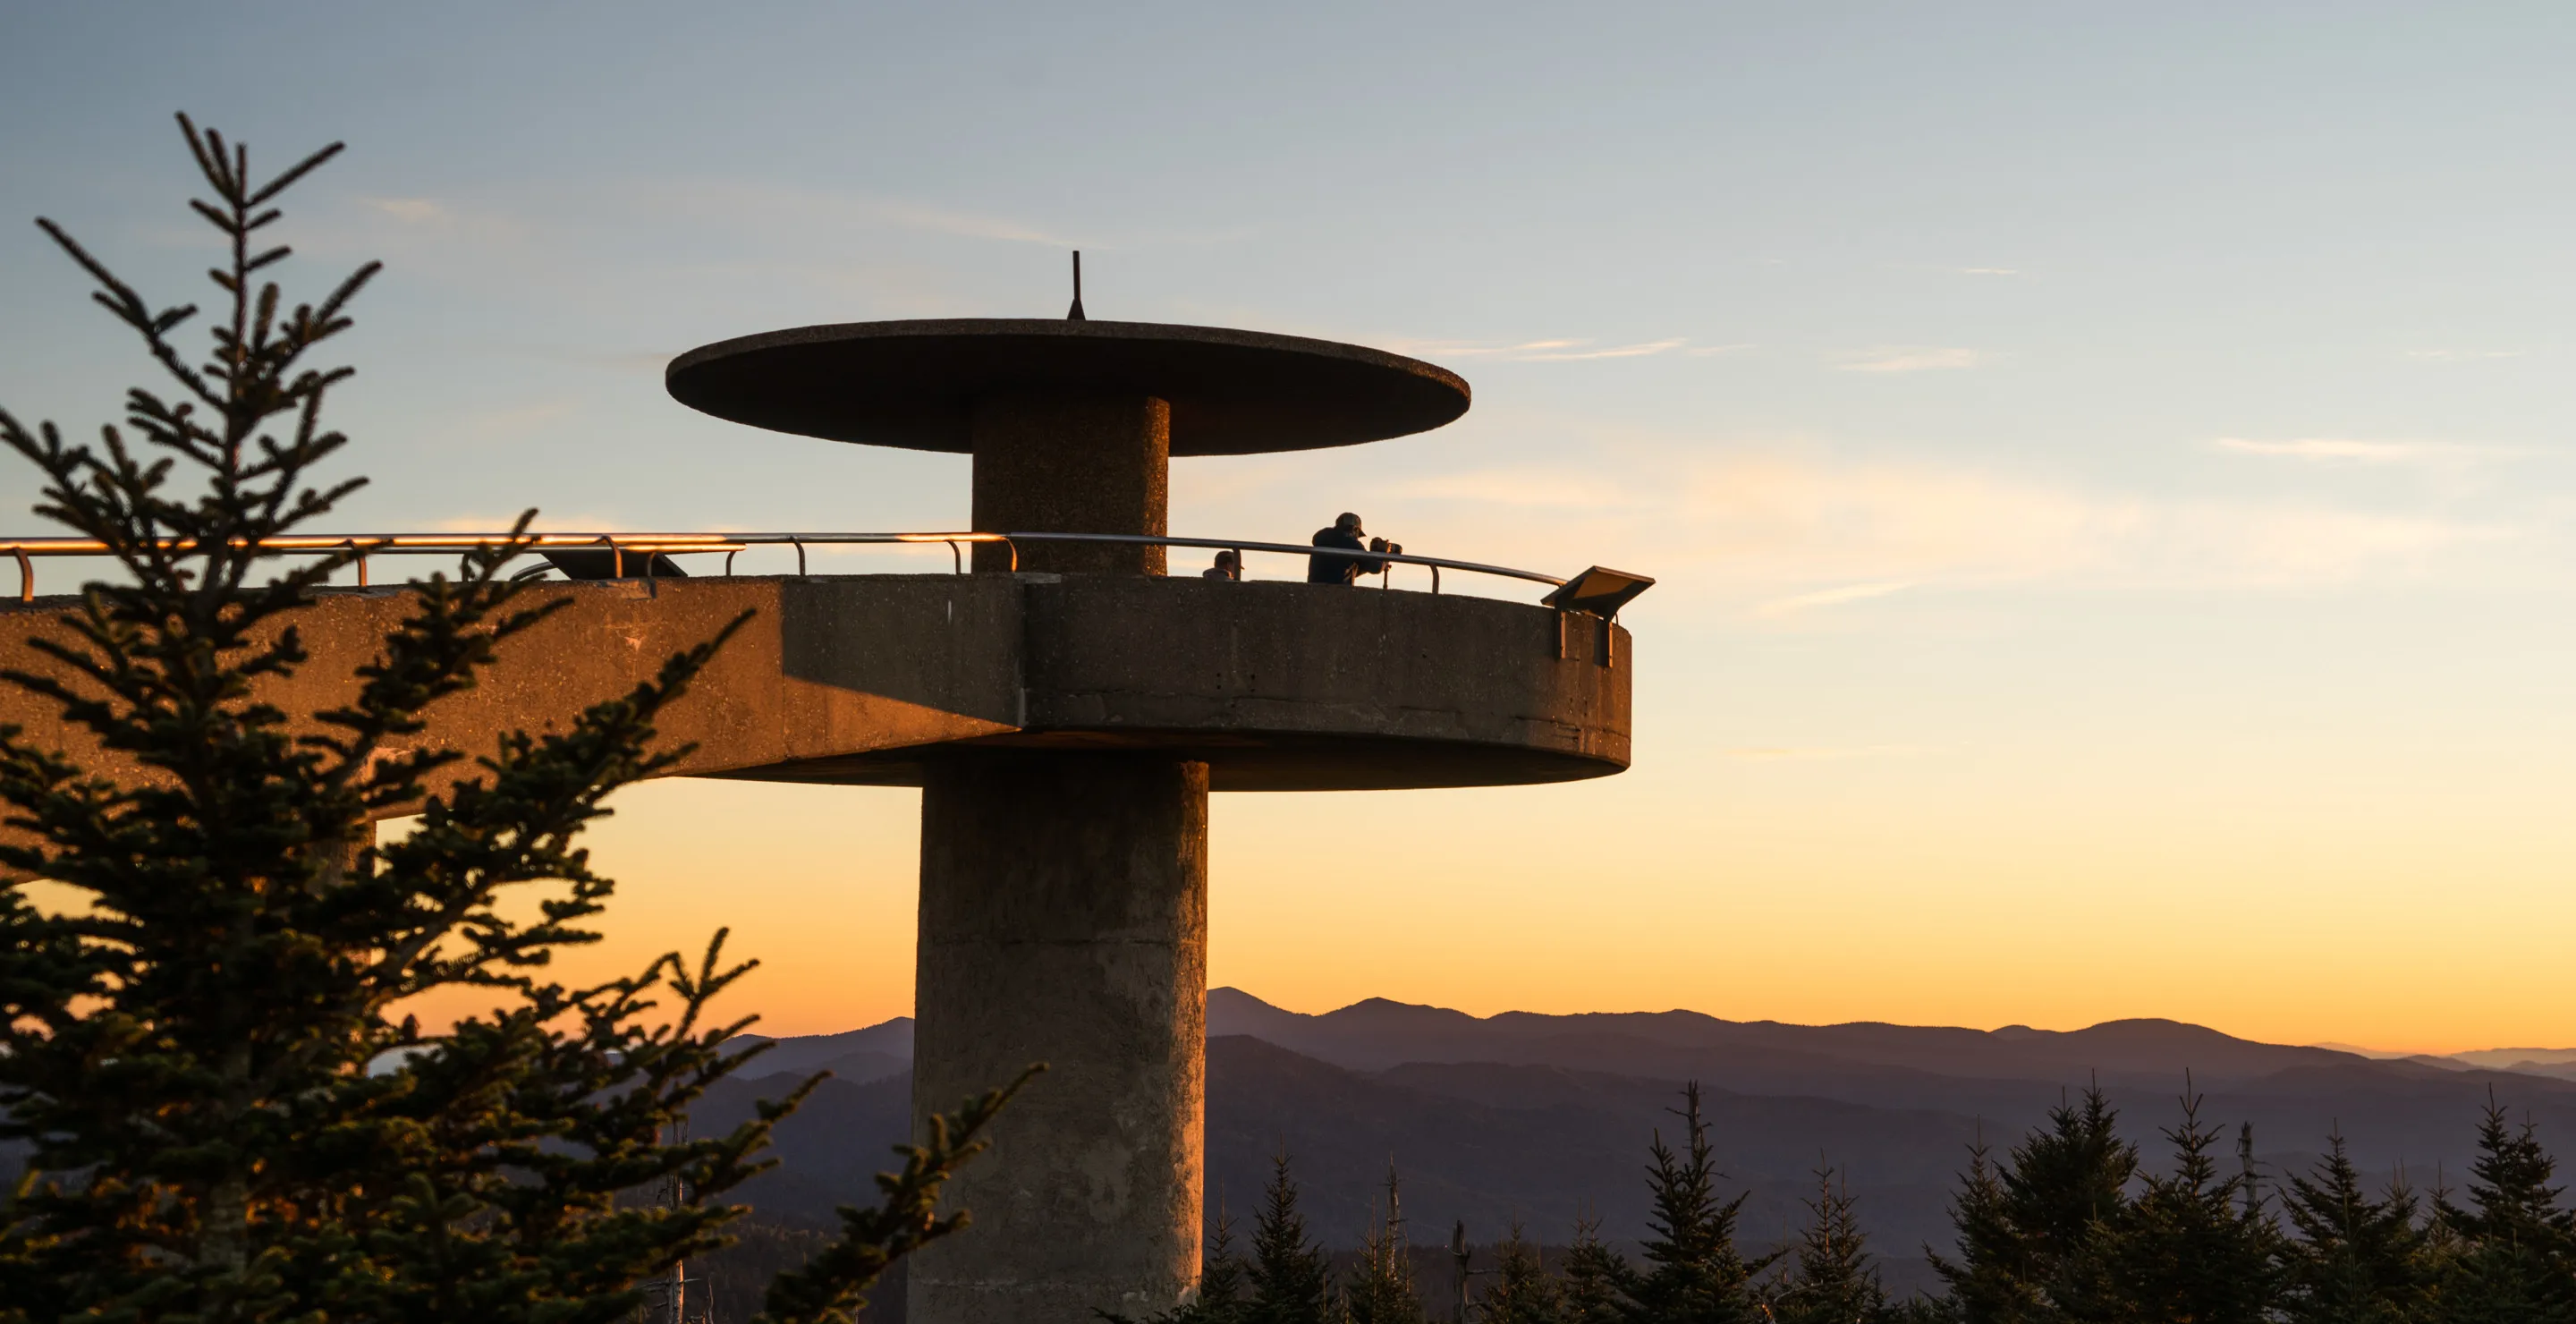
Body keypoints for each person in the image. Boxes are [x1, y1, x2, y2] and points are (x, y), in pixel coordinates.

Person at [1307, 512, 1392, 585]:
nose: (1357, 538)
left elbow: (1345, 571)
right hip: (1337, 595)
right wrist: (1383, 554)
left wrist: (1373, 558)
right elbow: (1375, 568)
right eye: (1358, 534)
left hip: (1314, 592)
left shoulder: (1325, 541)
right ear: (1355, 529)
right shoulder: (1350, 542)